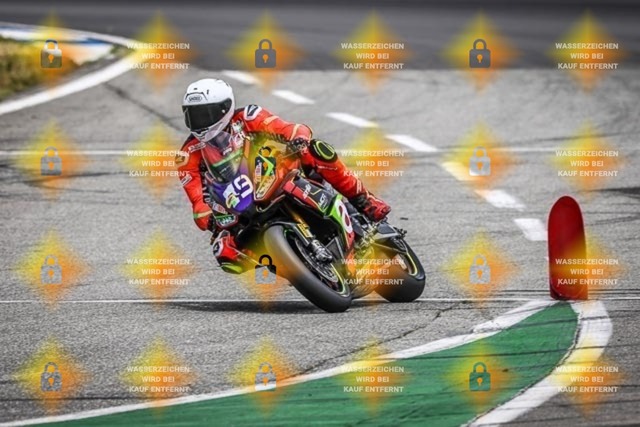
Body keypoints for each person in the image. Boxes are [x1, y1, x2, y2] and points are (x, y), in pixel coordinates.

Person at [176, 78, 390, 271]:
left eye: (204, 114)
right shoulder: (187, 154)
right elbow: (197, 200)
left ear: (224, 108)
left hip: (275, 171)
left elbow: (288, 128)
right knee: (225, 252)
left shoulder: (248, 116)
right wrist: (209, 220)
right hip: (237, 202)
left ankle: (365, 202)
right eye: (192, 115)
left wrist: (298, 138)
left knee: (316, 150)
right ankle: (292, 264)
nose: (198, 122)